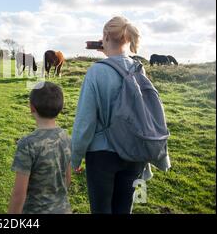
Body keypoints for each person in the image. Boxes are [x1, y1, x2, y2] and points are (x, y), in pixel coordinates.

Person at [71, 16, 170, 214]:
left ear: (105, 37)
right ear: (128, 39)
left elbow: (85, 123)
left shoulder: (96, 72)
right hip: (135, 153)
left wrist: (74, 158)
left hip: (102, 157)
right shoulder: (138, 70)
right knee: (124, 209)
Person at [8, 82, 72, 214]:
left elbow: (19, 194)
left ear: (32, 108)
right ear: (60, 108)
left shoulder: (27, 144)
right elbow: (67, 179)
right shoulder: (66, 137)